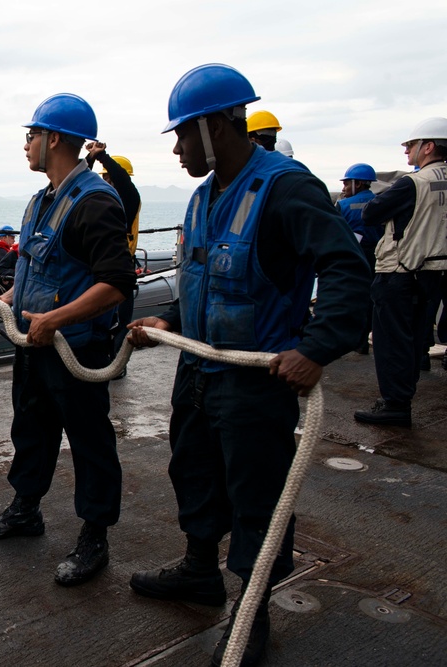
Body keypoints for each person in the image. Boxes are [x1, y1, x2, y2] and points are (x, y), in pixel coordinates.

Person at [126, 64, 369, 666]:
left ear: (214, 127)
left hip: (257, 382)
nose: (179, 148)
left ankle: (252, 609)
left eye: (183, 135)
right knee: (195, 474)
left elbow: (346, 272)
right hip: (200, 374)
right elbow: (206, 280)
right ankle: (199, 571)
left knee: (257, 497)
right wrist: (173, 325)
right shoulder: (202, 197)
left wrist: (315, 348)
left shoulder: (287, 188)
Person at [0, 93, 135, 587]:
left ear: (55, 139)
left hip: (75, 350)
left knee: (89, 443)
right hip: (33, 344)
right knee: (32, 430)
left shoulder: (96, 202)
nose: (26, 145)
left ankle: (95, 536)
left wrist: (57, 319)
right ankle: (26, 510)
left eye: (31, 136)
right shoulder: (41, 201)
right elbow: (37, 269)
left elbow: (116, 281)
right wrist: (5, 296)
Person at [354, 117, 447, 427]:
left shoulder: (412, 182)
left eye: (411, 145)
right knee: (416, 337)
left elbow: (371, 213)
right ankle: (401, 398)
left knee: (391, 340)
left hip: (401, 271)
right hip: (434, 272)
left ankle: (395, 404)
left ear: (429, 146)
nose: (407, 151)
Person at [85, 143, 142, 369]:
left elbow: (124, 183)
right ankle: (100, 363)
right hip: (96, 268)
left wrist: (103, 157)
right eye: (104, 178)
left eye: (110, 178)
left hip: (120, 270)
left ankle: (117, 367)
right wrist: (89, 158)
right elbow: (80, 180)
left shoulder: (129, 198)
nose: (106, 182)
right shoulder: (100, 200)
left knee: (120, 323)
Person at [335, 163, 379, 354]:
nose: (344, 189)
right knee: (372, 298)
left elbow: (334, 232)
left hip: (351, 255)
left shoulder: (343, 205)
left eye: (346, 184)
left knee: (350, 296)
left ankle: (350, 339)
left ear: (358, 183)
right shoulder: (380, 201)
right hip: (376, 255)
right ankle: (364, 340)